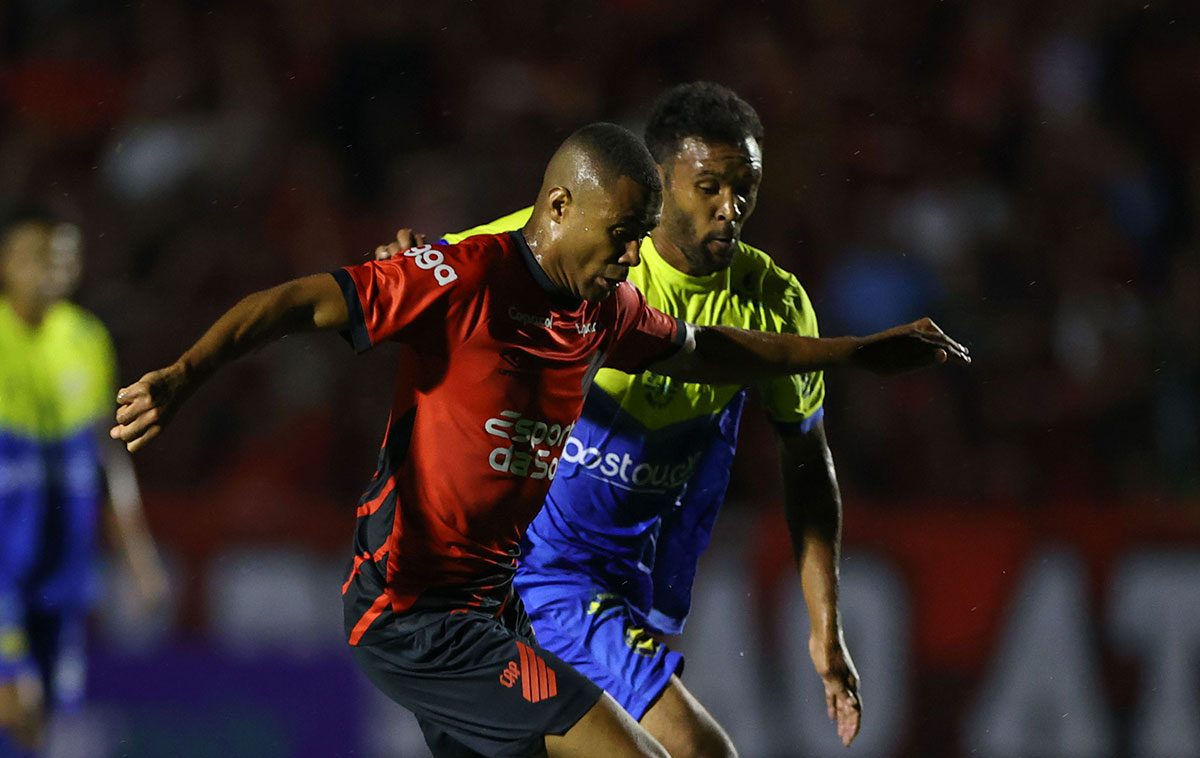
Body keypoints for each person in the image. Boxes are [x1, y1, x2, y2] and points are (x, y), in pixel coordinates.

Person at [112, 122, 967, 758]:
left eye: (640, 241)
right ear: (558, 207)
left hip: (493, 606)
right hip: (413, 612)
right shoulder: (463, 277)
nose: (633, 260)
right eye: (623, 237)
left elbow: (710, 351)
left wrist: (854, 353)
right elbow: (301, 301)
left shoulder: (599, 308)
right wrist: (183, 377)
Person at [376, 82, 873, 755]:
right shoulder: (583, 253)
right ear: (660, 183)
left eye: (745, 187)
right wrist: (401, 264)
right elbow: (442, 269)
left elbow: (807, 460)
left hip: (622, 576)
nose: (732, 208)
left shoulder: (775, 304)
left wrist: (824, 628)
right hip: (540, 573)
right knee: (700, 751)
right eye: (710, 188)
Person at [0, 213, 167, 757]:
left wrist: (138, 556)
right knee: (13, 698)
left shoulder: (87, 339)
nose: (49, 269)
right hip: (3, 561)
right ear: (6, 263)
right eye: (34, 256)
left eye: (61, 257)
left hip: (64, 562)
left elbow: (105, 455)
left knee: (44, 714)